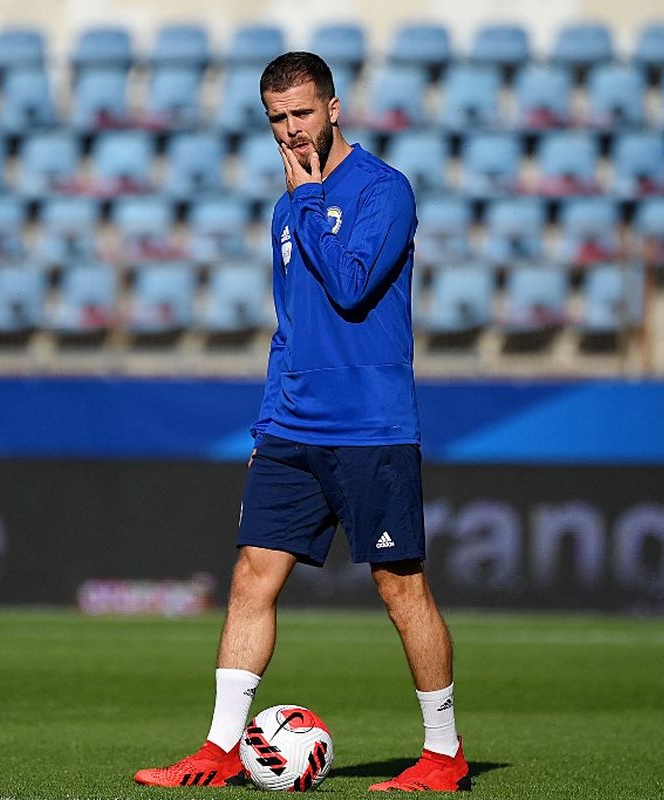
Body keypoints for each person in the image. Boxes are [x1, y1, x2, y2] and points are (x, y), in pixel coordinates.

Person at [133, 51, 471, 793]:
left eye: (302, 114)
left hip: (371, 428)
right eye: (277, 120)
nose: (291, 131)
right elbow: (290, 327)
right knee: (252, 576)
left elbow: (352, 287)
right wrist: (265, 427)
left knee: (398, 586)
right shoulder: (288, 206)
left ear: (335, 108)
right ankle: (219, 750)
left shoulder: (383, 191)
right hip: (293, 426)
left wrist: (313, 196)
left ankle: (443, 755)